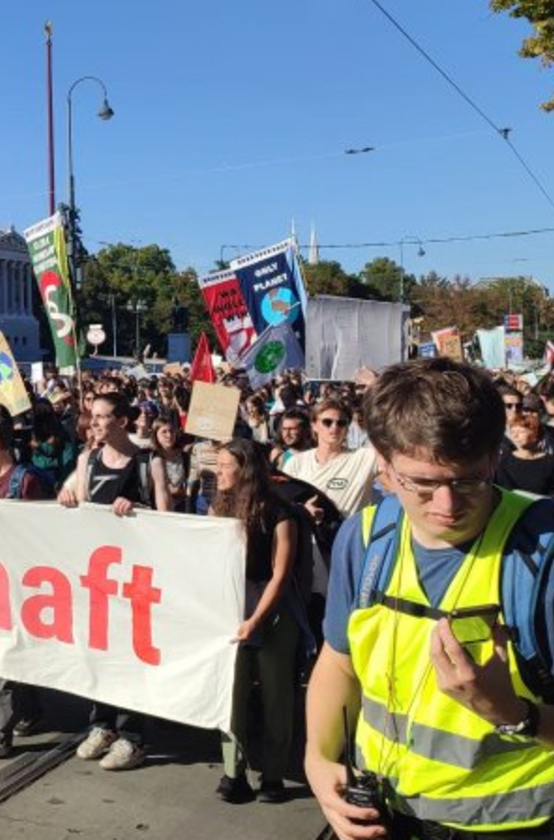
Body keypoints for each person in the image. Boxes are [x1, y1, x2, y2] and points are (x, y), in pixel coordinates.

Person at [307, 358, 554, 839]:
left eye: (468, 479)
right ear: (382, 462)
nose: (447, 505)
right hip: (378, 815)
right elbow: (339, 662)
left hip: (512, 827)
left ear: (493, 457)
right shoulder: (364, 537)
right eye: (422, 482)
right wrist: (317, 758)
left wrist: (513, 715)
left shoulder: (543, 552)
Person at [59, 392, 172, 771]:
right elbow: (75, 496)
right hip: (98, 574)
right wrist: (66, 496)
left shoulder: (148, 462)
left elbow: (168, 520)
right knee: (100, 651)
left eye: (104, 417)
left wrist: (140, 511)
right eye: (93, 416)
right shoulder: (87, 459)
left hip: (135, 577)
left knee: (130, 655)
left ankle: (132, 735)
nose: (96, 423)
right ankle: (102, 724)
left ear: (123, 421)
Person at [211, 439, 299, 804]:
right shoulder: (219, 509)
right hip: (231, 609)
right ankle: (233, 773)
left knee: (276, 696)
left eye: (224, 465)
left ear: (244, 469)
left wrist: (256, 619)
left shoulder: (281, 513)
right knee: (231, 696)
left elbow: (281, 574)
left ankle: (274, 776)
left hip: (274, 612)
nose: (217, 472)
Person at [0, 411, 54, 760]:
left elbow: (44, 531)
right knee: (8, 648)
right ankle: (31, 710)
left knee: (4, 652)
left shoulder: (27, 481)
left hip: (21, 580)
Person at [282, 397, 378, 531]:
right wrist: (302, 510)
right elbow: (282, 506)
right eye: (327, 422)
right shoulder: (296, 463)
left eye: (341, 423)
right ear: (314, 425)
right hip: (309, 544)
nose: (335, 427)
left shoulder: (364, 457)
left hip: (348, 544)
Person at [496, 411, 554, 496]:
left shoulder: (550, 462)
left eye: (520, 432)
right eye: (513, 432)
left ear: (535, 433)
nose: (515, 436)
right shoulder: (504, 460)